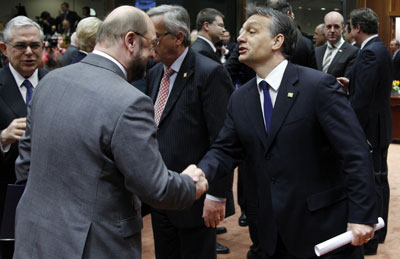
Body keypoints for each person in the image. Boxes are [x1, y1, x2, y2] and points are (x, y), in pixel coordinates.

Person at [12, 6, 208, 259]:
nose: (153, 54)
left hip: (34, 236)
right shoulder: (130, 101)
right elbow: (155, 187)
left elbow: (25, 165)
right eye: (151, 44)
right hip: (93, 245)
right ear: (130, 41)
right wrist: (190, 184)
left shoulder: (49, 82)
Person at [199, 6, 377, 259]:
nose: (240, 38)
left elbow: (355, 152)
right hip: (268, 233)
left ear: (277, 40)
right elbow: (224, 149)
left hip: (322, 231)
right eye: (240, 32)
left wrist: (362, 215)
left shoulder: (318, 87)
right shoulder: (240, 98)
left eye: (251, 31)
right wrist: (200, 172)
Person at [146, 5, 234, 258]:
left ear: (178, 38)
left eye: (156, 37)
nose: (150, 43)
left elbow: (223, 140)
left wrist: (217, 194)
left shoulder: (209, 73)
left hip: (195, 196)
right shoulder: (155, 74)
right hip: (162, 194)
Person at [338, 8, 393, 256]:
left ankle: (373, 236)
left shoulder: (371, 51)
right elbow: (368, 88)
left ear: (357, 28)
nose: (348, 30)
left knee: (374, 180)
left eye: (349, 26)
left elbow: (363, 101)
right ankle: (376, 231)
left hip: (371, 128)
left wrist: (349, 129)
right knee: (377, 178)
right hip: (377, 125)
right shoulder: (375, 49)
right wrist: (353, 83)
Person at [0, 15, 47, 259]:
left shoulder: (58, 82)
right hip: (8, 194)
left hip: (52, 196)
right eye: (20, 46)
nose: (29, 52)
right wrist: (3, 138)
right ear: (4, 49)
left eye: (35, 45)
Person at [315, 11, 358, 78]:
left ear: (342, 28)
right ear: (324, 28)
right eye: (329, 27)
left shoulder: (352, 51)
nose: (332, 30)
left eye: (336, 27)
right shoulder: (317, 51)